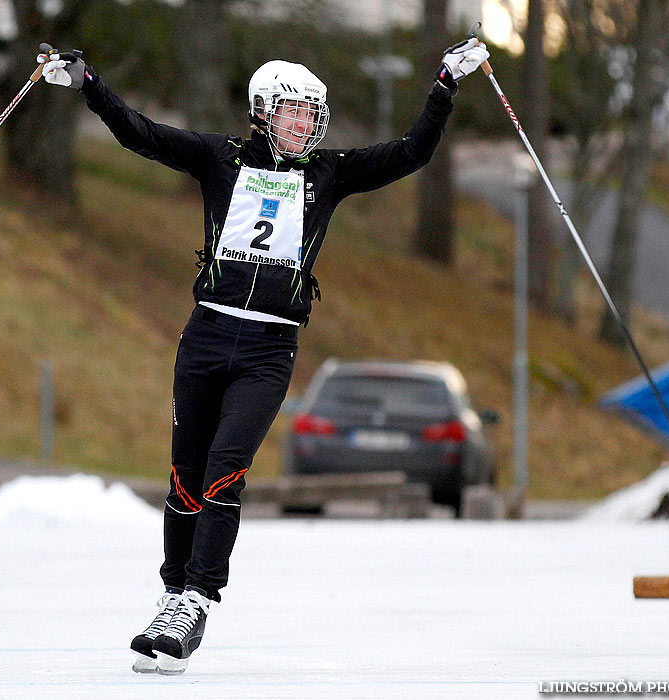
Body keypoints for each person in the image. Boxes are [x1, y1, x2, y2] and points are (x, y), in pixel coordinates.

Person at [39, 37, 489, 674]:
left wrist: (445, 85)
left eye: (313, 114)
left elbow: (411, 153)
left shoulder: (328, 173)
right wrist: (87, 82)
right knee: (184, 470)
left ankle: (196, 599)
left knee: (226, 465)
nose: (304, 125)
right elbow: (140, 133)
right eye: (292, 112)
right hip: (207, 335)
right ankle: (171, 598)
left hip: (269, 348)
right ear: (262, 112)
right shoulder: (219, 159)